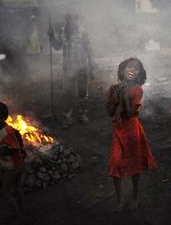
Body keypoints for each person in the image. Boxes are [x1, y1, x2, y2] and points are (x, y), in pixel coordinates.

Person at [106, 58, 157, 212]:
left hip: (132, 130)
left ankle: (135, 197)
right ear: (122, 70)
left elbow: (130, 114)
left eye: (136, 69)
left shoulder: (137, 90)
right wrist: (116, 96)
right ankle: (120, 200)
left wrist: (123, 98)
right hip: (118, 130)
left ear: (139, 74)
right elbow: (109, 112)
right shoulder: (113, 88)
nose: (132, 70)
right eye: (129, 67)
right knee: (116, 163)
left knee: (135, 165)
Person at [49, 13, 96, 128]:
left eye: (73, 19)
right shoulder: (63, 33)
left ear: (77, 20)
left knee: (82, 93)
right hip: (67, 69)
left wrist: (92, 68)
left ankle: (83, 114)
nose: (71, 22)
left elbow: (90, 52)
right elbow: (57, 46)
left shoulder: (83, 34)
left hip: (81, 68)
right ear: (67, 21)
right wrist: (51, 36)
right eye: (68, 20)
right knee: (67, 93)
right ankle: (67, 118)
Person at [0, 101, 27, 221]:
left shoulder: (5, 132)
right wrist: (22, 150)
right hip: (16, 164)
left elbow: (13, 149)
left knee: (5, 192)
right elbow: (18, 135)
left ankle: (20, 218)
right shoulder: (4, 128)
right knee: (16, 188)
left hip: (13, 166)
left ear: (5, 117)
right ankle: (21, 212)